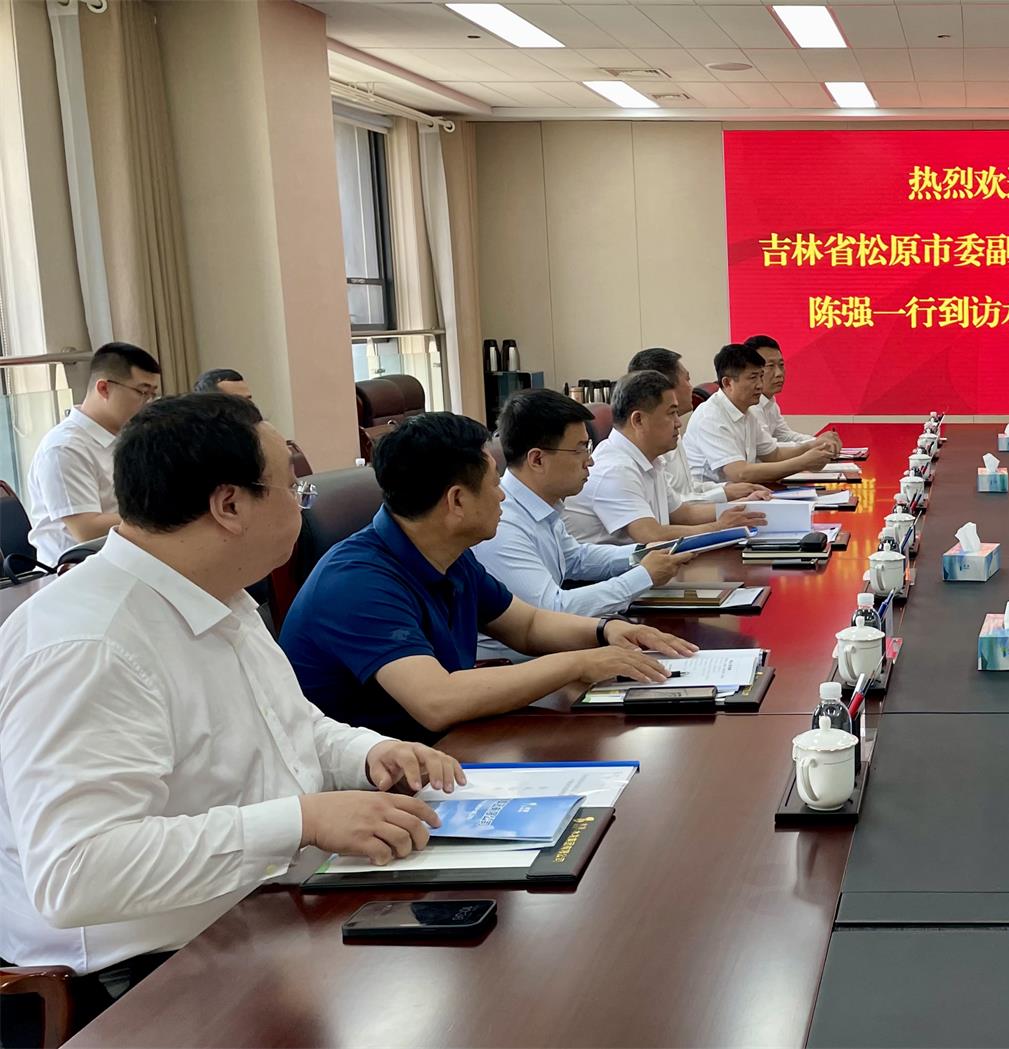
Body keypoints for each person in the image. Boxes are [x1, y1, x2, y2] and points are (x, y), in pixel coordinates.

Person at [0, 394, 463, 1035]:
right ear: (229, 506)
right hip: (141, 983)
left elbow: (290, 725)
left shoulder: (219, 593)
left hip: (261, 911)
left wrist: (367, 752)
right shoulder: (89, 645)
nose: (302, 503)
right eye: (292, 488)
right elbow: (77, 872)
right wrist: (302, 820)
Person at [279, 412, 698, 743]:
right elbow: (437, 701)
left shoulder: (450, 554)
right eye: (494, 482)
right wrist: (579, 662)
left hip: (449, 747)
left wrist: (606, 631)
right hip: (376, 784)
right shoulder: (357, 583)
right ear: (457, 501)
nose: (502, 494)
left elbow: (527, 625)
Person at [475, 389, 699, 662]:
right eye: (581, 449)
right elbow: (552, 610)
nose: (590, 460)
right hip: (517, 668)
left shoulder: (541, 504)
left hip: (558, 655)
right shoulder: (502, 524)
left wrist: (645, 552)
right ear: (537, 459)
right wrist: (643, 575)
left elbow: (576, 558)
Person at [563, 369, 769, 546]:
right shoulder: (615, 468)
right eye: (671, 413)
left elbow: (682, 513)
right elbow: (651, 535)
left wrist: (742, 506)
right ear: (638, 420)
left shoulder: (649, 458)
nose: (678, 423)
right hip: (608, 577)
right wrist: (719, 527)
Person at [25, 342, 161, 564]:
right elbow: (87, 530)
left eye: (153, 395)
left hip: (126, 557)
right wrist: (163, 515)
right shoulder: (65, 448)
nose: (148, 403)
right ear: (104, 388)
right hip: (74, 570)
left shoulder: (127, 437)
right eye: (142, 392)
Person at [625, 347, 771, 508]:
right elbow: (674, 508)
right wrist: (730, 502)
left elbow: (686, 489)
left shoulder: (671, 430)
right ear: (662, 387)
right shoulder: (627, 461)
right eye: (687, 380)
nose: (691, 387)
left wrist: (728, 490)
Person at [682, 343, 835, 486]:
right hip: (711, 500)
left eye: (761, 376)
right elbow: (740, 474)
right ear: (728, 383)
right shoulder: (710, 416)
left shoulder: (747, 411)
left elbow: (773, 454)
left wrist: (812, 445)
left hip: (744, 494)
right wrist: (803, 463)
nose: (760, 385)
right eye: (752, 378)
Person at [744, 334, 839, 453]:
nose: (779, 373)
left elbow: (784, 436)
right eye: (770, 366)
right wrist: (813, 445)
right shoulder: (750, 405)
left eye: (781, 365)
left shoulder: (769, 401)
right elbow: (766, 449)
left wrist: (818, 441)